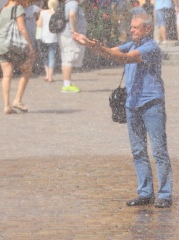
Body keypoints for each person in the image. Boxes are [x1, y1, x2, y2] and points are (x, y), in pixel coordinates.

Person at [73, 13, 173, 208]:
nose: (132, 30)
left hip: (152, 104)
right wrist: (88, 44)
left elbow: (126, 59)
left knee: (159, 151)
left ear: (147, 29)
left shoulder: (150, 47)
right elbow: (110, 52)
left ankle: (165, 194)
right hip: (132, 104)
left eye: (136, 27)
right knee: (138, 151)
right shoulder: (132, 44)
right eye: (131, 27)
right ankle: (145, 192)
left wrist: (98, 47)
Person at [0, 0, 35, 114]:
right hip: (13, 45)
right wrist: (30, 45)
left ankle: (7, 105)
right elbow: (21, 28)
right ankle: (17, 100)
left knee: (6, 75)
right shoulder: (18, 9)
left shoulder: (3, 9)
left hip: (1, 45)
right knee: (26, 70)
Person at [58, 0, 87, 93]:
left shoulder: (69, 3)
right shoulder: (73, 3)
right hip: (69, 36)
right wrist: (74, 32)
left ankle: (68, 83)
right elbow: (71, 15)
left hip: (66, 35)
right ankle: (66, 85)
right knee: (68, 58)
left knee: (67, 57)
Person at [37, 0, 58, 82]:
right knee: (52, 56)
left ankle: (46, 74)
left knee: (45, 56)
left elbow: (39, 24)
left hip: (44, 37)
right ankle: (50, 76)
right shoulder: (56, 13)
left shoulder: (43, 13)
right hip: (53, 37)